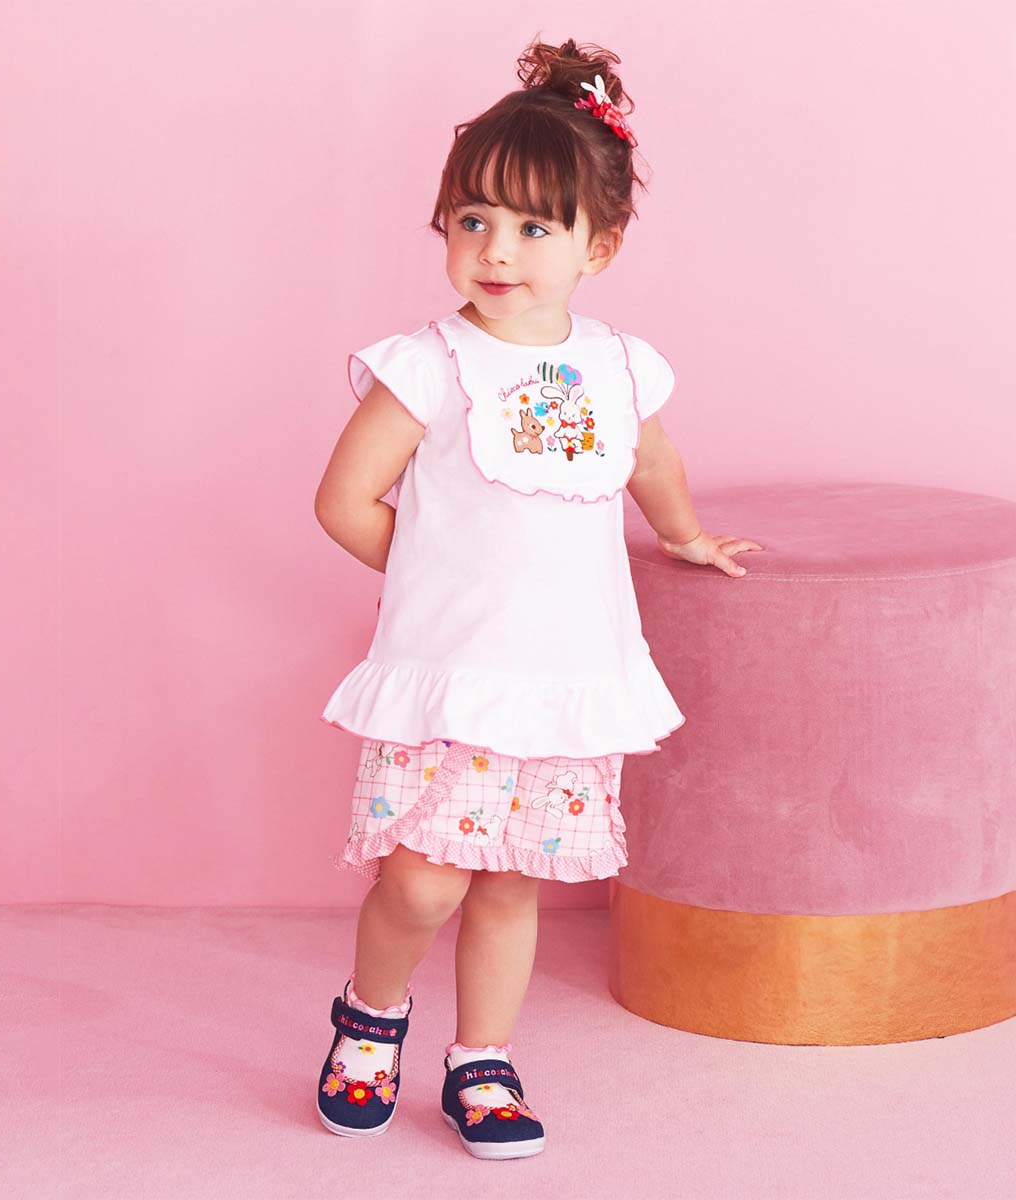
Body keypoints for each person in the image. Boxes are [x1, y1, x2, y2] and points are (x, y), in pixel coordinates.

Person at [312, 35, 761, 1160]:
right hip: (457, 678)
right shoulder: (429, 365)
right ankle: (371, 1018)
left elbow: (651, 460)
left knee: (512, 886)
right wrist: (435, 580)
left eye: (532, 228)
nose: (495, 250)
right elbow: (345, 502)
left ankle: (483, 1058)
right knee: (423, 883)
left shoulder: (617, 365)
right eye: (472, 221)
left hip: (566, 678)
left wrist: (685, 534)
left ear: (598, 246)